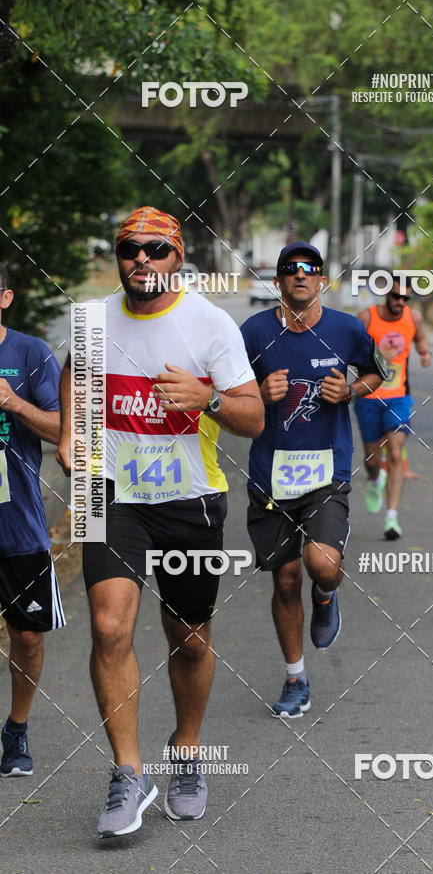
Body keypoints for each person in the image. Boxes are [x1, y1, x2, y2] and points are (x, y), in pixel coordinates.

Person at [56, 207, 263, 837]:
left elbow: (253, 418)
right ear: (119, 258)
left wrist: (210, 399)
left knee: (190, 638)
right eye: (129, 249)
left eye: (155, 249)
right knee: (109, 625)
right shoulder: (91, 318)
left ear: (178, 257)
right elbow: (73, 372)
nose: (140, 259)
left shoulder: (210, 324)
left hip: (190, 500)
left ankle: (189, 752)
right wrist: (71, 434)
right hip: (108, 493)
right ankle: (127, 771)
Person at [241, 241, 387, 719]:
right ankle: (295, 677)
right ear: (279, 280)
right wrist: (260, 394)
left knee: (321, 564)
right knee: (284, 581)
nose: (300, 275)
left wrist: (349, 390)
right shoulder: (254, 331)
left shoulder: (346, 329)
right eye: (290, 269)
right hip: (269, 478)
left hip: (327, 472)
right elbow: (228, 391)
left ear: (322, 279)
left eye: (310, 269)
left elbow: (375, 373)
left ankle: (326, 595)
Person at [0, 262, 64, 778]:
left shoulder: (30, 354)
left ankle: (16, 729)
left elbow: (63, 429)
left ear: (5, 298)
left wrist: (13, 403)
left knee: (26, 636)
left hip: (17, 526)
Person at [355, 276, 431, 539]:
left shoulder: (414, 318)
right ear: (386, 295)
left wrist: (424, 353)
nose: (400, 303)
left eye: (405, 298)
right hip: (367, 397)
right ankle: (377, 480)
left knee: (396, 453)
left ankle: (391, 518)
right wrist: (375, 355)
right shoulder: (366, 317)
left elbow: (420, 338)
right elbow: (349, 351)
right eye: (396, 297)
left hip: (399, 397)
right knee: (372, 461)